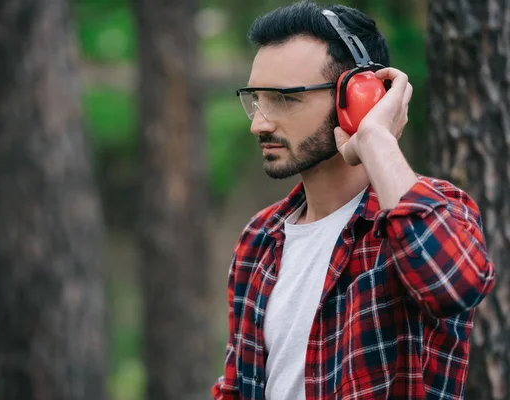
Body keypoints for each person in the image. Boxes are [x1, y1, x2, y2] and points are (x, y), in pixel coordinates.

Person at [211, 1, 496, 399]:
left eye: (284, 98)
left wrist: (375, 136)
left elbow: (454, 286)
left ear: (357, 98)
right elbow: (237, 389)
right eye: (256, 99)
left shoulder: (436, 212)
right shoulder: (258, 239)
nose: (259, 122)